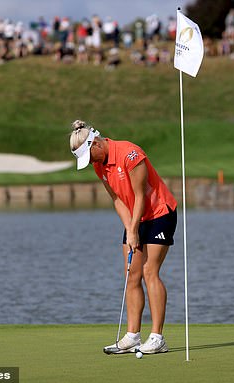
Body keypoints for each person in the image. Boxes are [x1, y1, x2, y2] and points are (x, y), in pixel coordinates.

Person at [69, 120, 177, 355]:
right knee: (132, 274)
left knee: (150, 272)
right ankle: (132, 336)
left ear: (96, 143)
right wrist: (129, 227)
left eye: (91, 156)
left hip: (160, 213)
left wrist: (134, 229)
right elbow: (117, 199)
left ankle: (158, 338)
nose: (92, 162)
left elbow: (140, 195)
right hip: (135, 218)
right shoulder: (100, 166)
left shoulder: (130, 154)